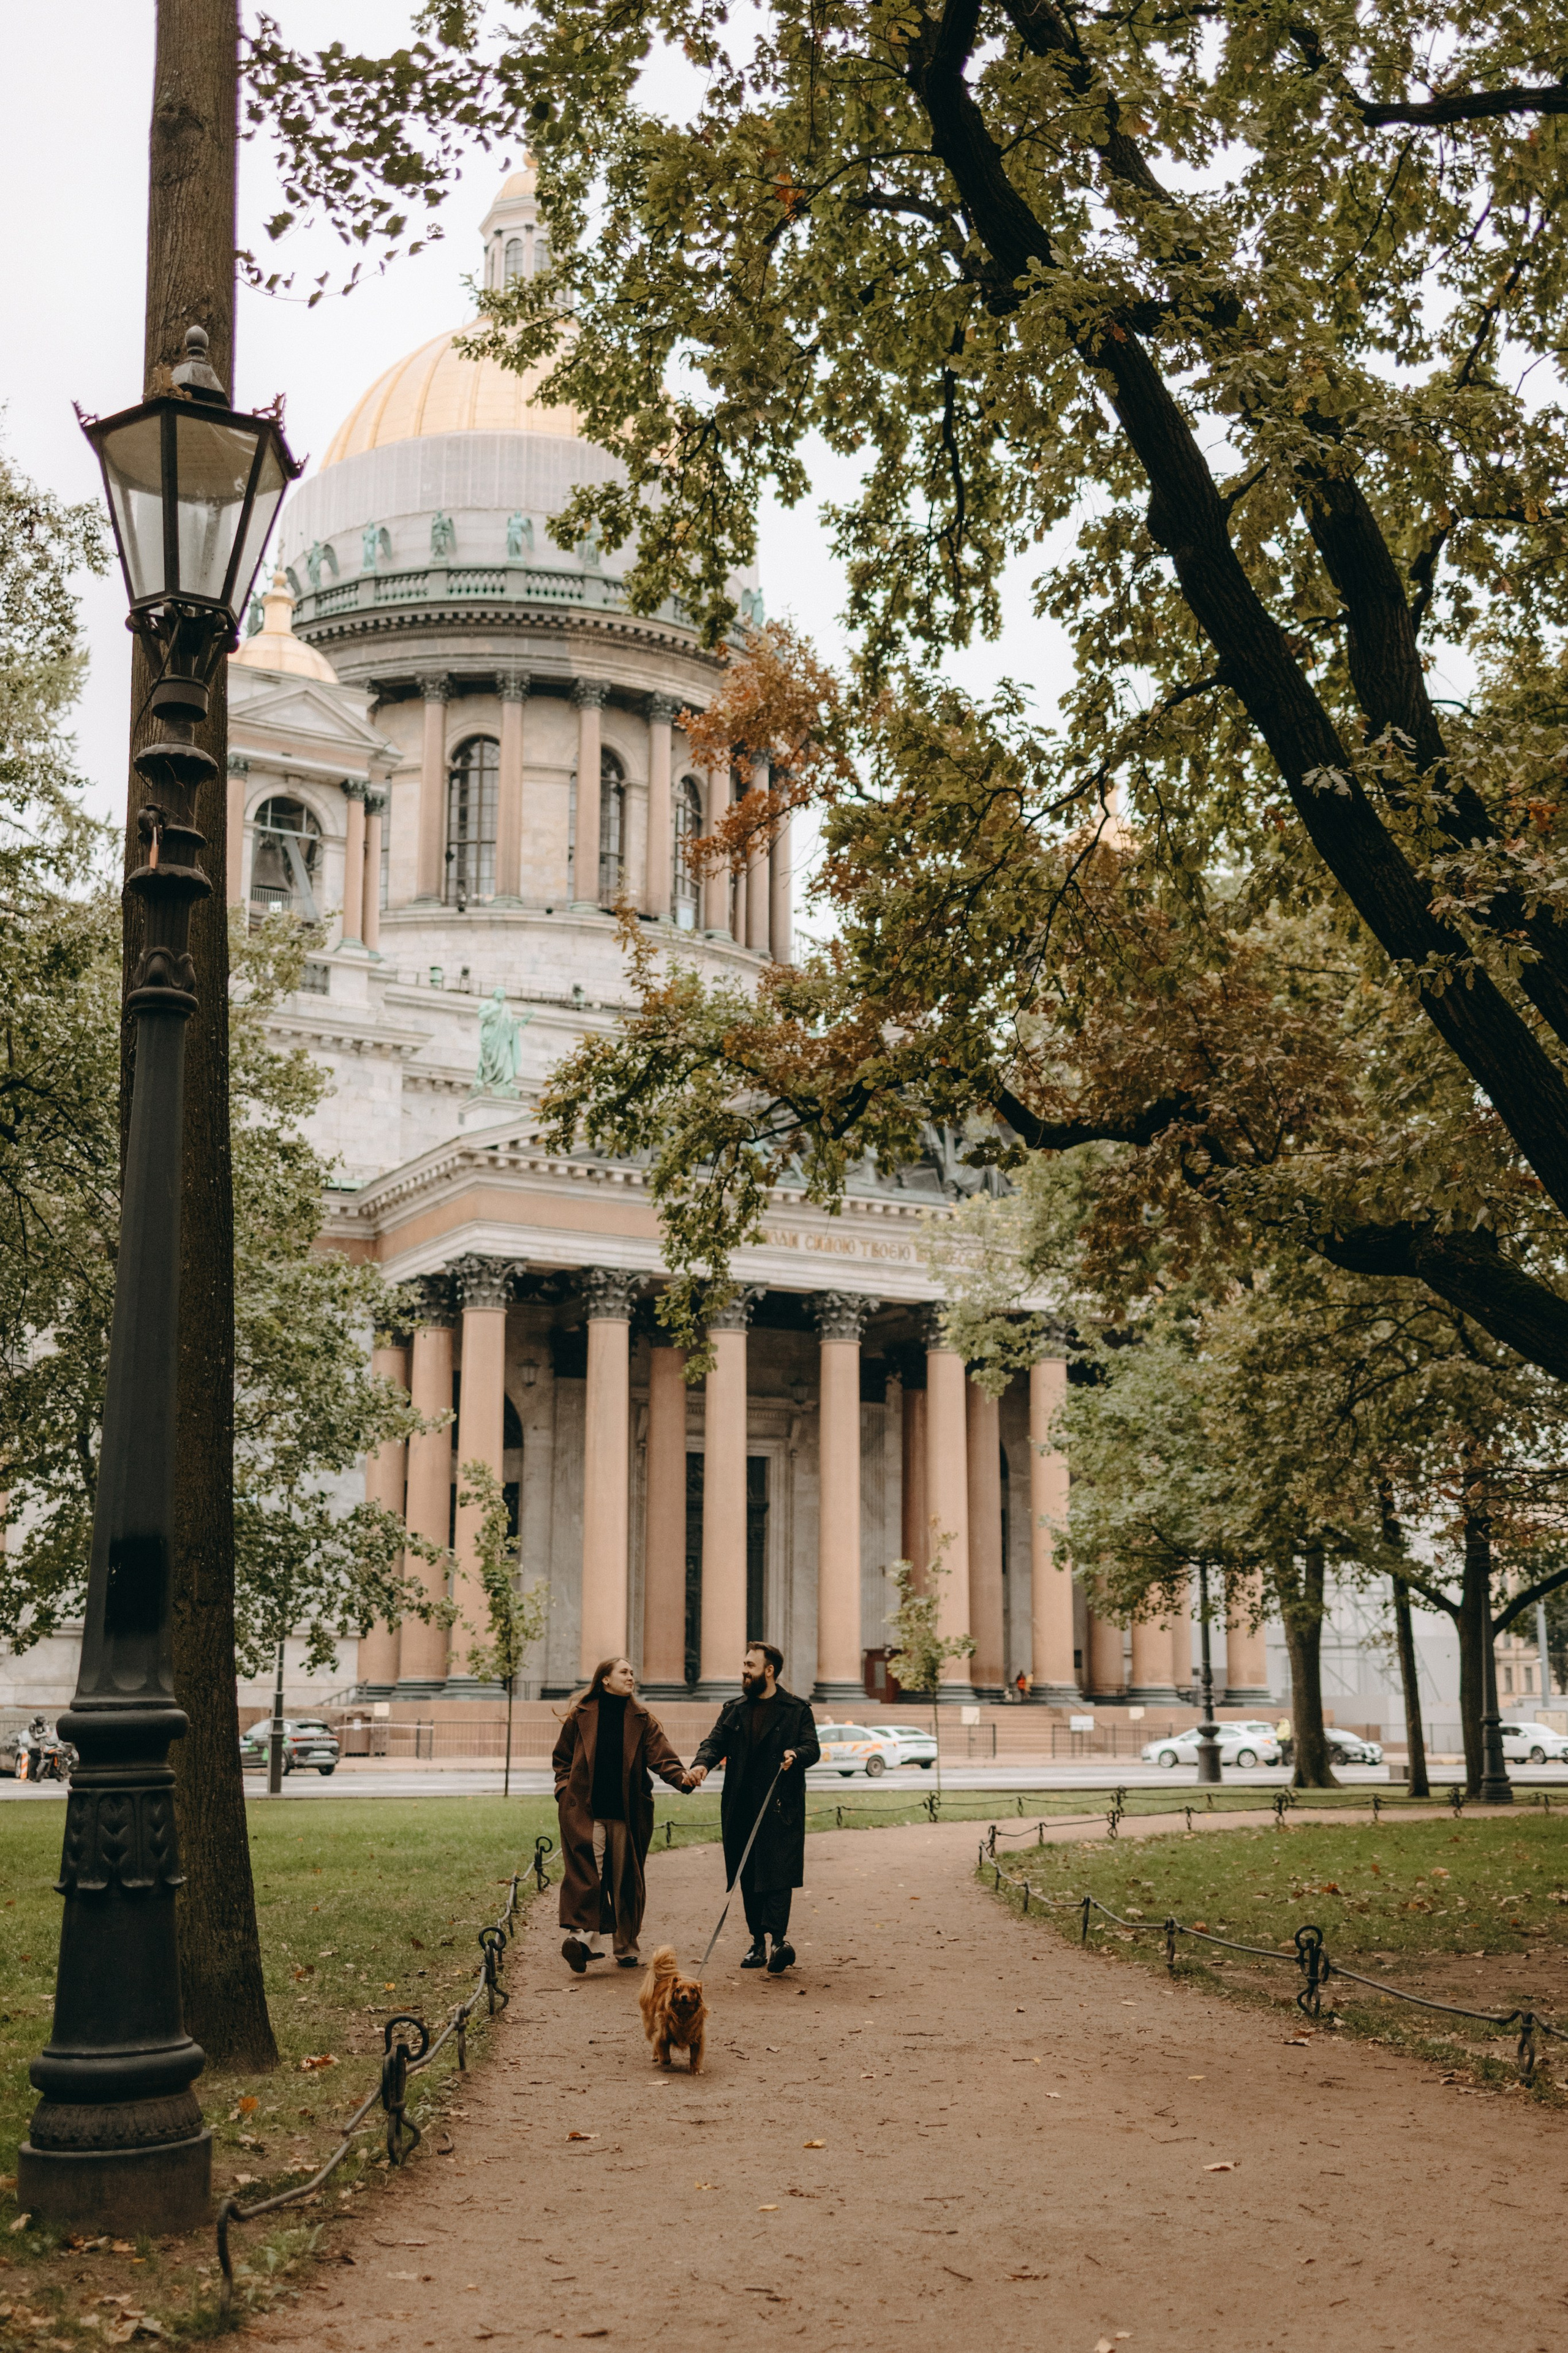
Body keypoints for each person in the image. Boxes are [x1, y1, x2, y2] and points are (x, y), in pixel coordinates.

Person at [552, 1656, 692, 1973]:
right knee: (589, 1876)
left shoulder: (642, 1719)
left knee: (626, 1881)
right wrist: (564, 1790)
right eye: (624, 1672)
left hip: (628, 1815)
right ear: (605, 1679)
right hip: (587, 1813)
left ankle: (626, 1946)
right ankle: (582, 1940)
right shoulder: (581, 1716)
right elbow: (562, 1758)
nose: (632, 1677)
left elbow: (662, 1758)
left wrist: (682, 1778)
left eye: (632, 1672)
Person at [688, 1641, 821, 1974]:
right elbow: (714, 1742)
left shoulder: (796, 1710)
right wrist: (702, 1764)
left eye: (750, 1665)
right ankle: (757, 1942)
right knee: (747, 1874)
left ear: (769, 1671)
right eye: (744, 1665)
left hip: (780, 1807)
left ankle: (779, 1942)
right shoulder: (734, 1709)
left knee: (778, 1874)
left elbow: (812, 1748)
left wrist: (796, 1755)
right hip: (741, 1807)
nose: (744, 1671)